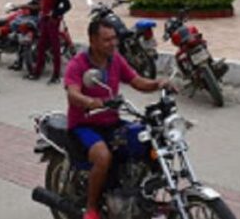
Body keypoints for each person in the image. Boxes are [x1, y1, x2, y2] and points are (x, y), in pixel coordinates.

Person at [65, 18, 173, 219]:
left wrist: (159, 83)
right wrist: (91, 102)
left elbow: (136, 81)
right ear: (93, 40)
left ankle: (137, 193)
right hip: (84, 124)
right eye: (107, 40)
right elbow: (73, 93)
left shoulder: (115, 59)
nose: (113, 43)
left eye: (114, 38)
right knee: (103, 157)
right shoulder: (78, 64)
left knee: (146, 139)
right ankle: (91, 208)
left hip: (111, 122)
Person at [29, 0, 71, 83]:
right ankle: (37, 71)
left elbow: (67, 5)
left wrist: (55, 14)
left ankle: (56, 75)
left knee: (55, 46)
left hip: (53, 19)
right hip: (44, 18)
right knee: (41, 46)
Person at [7, 0, 43, 71]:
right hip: (33, 15)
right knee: (15, 24)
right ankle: (20, 59)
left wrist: (24, 6)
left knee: (15, 24)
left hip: (38, 17)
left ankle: (21, 59)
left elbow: (40, 6)